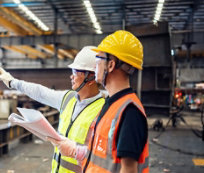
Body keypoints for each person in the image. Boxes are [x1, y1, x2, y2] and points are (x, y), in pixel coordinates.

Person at [48, 30, 149, 173]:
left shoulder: (129, 112)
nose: (95, 67)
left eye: (98, 60)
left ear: (111, 65)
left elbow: (128, 169)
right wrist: (77, 152)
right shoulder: (110, 104)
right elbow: (103, 156)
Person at [0, 46, 105, 173]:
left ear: (91, 77)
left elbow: (103, 156)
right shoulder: (68, 98)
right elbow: (41, 92)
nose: (71, 76)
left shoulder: (103, 110)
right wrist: (12, 82)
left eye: (75, 72)